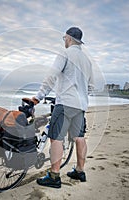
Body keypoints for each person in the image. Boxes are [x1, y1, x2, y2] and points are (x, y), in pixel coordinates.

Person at [30, 27, 95, 188]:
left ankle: (54, 176)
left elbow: (52, 76)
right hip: (80, 106)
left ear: (69, 39)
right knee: (79, 137)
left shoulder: (65, 53)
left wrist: (38, 97)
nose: (64, 41)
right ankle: (80, 171)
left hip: (65, 103)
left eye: (64, 38)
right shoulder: (87, 60)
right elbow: (91, 86)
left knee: (56, 138)